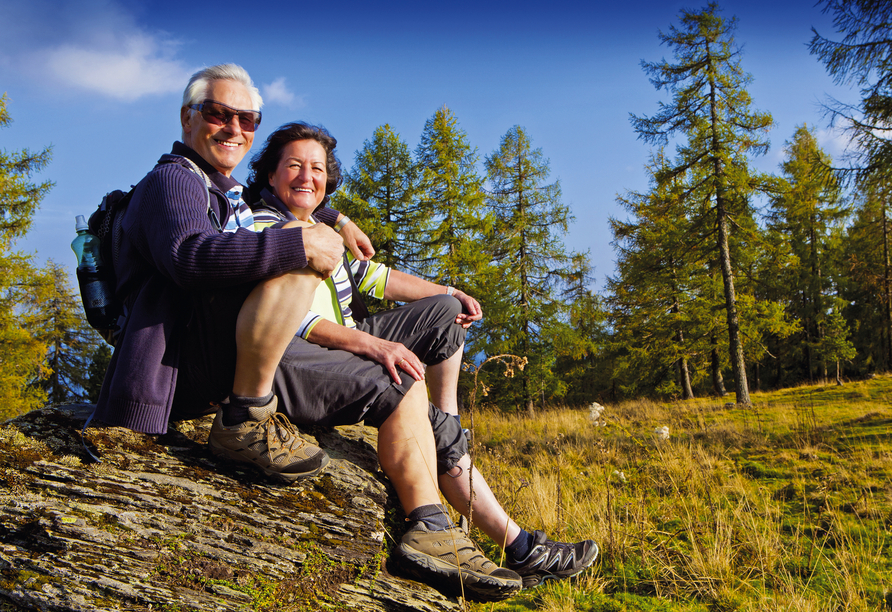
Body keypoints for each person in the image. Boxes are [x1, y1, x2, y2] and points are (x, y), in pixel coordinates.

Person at [239, 121, 599, 598]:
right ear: (269, 174)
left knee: (449, 313)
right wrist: (370, 344)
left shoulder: (322, 226)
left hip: (346, 338)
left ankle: (444, 420)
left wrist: (450, 291)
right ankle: (514, 544)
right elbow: (287, 320)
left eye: (318, 168)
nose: (307, 176)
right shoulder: (263, 226)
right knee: (405, 381)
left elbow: (375, 277)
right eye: (294, 166)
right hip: (302, 352)